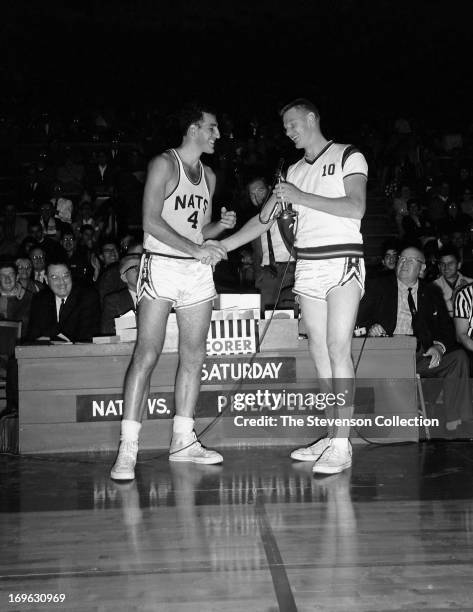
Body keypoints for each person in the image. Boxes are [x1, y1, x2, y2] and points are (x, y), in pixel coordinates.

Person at [219, 98, 368, 474]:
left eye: (292, 123)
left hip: (343, 259)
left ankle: (341, 444)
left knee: (338, 346)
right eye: (285, 126)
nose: (288, 130)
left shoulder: (349, 155)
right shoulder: (293, 171)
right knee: (318, 349)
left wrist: (300, 198)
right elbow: (263, 219)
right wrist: (222, 246)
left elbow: (355, 208)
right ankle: (333, 433)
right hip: (309, 265)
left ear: (312, 118)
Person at [110, 103, 236, 481]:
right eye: (212, 127)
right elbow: (150, 220)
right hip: (162, 266)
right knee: (146, 354)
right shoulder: (164, 164)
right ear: (194, 128)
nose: (217, 135)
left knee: (194, 355)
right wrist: (197, 246)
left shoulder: (210, 176)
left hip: (196, 271)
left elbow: (198, 230)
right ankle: (128, 447)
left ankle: (183, 440)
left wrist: (218, 227)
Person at [358, 246, 473, 433]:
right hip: (388, 353)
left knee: (458, 358)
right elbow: (358, 318)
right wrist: (371, 328)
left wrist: (439, 346)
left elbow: (446, 328)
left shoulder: (432, 292)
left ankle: (457, 420)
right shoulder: (377, 286)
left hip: (421, 354)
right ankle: (392, 422)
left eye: (411, 261)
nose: (404, 263)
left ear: (422, 269)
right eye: (402, 259)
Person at [246, 176, 296, 312]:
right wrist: (258, 274)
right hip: (267, 273)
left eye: (260, 190)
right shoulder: (255, 220)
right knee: (267, 316)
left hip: (289, 269)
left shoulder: (287, 208)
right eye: (252, 194)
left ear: (270, 189)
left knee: (289, 314)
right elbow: (257, 251)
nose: (256, 196)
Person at [27, 259, 100, 342]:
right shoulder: (40, 299)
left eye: (65, 276)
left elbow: (87, 336)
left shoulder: (87, 297)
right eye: (54, 277)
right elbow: (33, 336)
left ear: (71, 276)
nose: (61, 282)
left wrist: (50, 339)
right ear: (46, 280)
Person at [101, 255, 139, 335]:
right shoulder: (113, 301)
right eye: (135, 268)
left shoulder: (157, 297)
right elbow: (108, 331)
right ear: (124, 277)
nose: (141, 272)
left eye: (143, 267)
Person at [433, 246, 473, 317]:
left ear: (459, 265)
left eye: (450, 263)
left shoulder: (470, 283)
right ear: (439, 267)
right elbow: (432, 313)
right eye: (442, 264)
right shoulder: (432, 287)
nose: (446, 267)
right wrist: (452, 300)